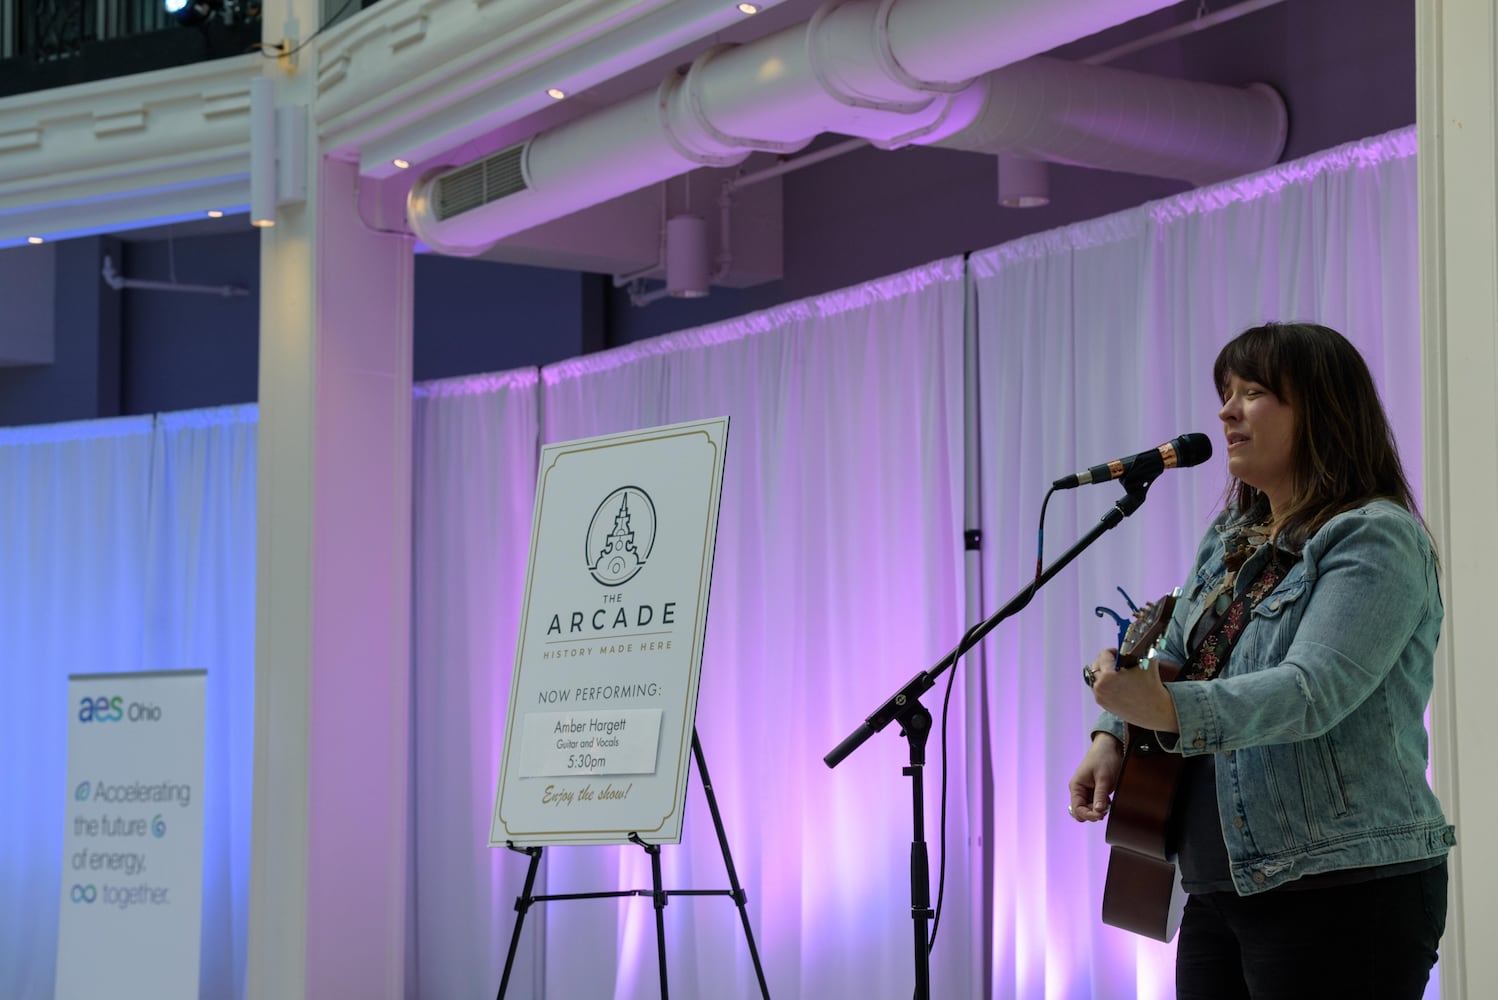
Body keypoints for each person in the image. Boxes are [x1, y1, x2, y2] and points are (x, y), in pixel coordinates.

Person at [1067, 322, 1455, 999]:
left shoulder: (1375, 538)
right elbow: (1176, 652)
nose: (1225, 411)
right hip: (1220, 882)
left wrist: (1165, 709)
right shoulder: (1230, 536)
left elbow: (1311, 692)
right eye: (1225, 393)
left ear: (1321, 410)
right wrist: (1114, 732)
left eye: (1253, 393)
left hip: (1340, 886)